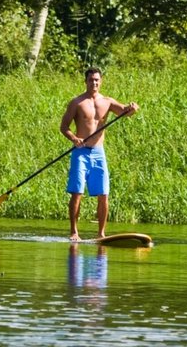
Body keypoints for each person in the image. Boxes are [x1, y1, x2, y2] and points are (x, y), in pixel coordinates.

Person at [60, 67, 139, 242]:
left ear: (100, 81)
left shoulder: (107, 102)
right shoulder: (77, 102)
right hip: (80, 152)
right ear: (85, 81)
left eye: (96, 80)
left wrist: (132, 108)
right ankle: (74, 232)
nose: (94, 83)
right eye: (90, 80)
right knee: (77, 192)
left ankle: (101, 234)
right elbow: (64, 127)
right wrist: (74, 138)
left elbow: (125, 111)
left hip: (98, 153)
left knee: (104, 194)